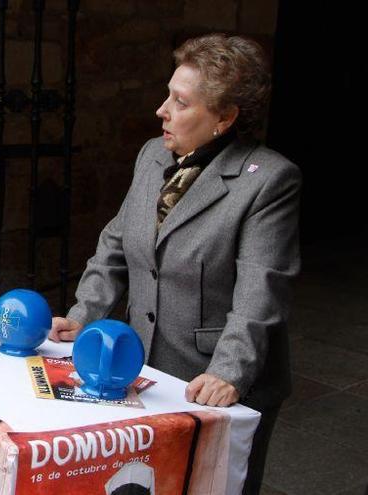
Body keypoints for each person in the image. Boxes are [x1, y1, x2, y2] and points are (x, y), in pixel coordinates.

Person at [49, 34, 300, 494]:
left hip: (212, 376)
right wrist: (85, 315)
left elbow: (260, 290)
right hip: (141, 365)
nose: (161, 110)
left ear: (225, 118)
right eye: (168, 95)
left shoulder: (268, 181)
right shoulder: (152, 154)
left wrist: (230, 372)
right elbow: (116, 243)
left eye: (180, 102)